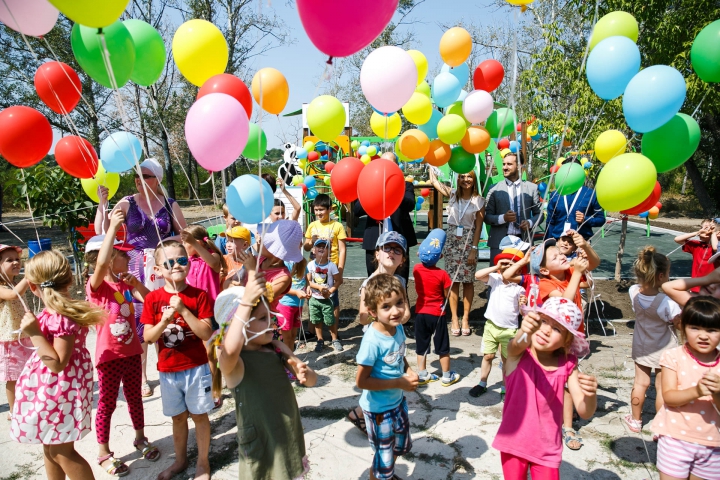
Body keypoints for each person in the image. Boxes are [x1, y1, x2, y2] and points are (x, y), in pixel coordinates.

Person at [95, 158, 188, 398]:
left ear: (157, 179)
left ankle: (169, 368)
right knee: (139, 319)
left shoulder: (169, 204)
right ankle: (143, 376)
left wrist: (162, 245)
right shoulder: (127, 203)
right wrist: (102, 204)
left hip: (163, 265)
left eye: (145, 176)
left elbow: (185, 235)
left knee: (166, 315)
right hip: (135, 267)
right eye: (137, 176)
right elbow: (102, 232)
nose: (139, 180)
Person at [11, 251, 105, 480]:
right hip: (49, 391)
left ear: (32, 287)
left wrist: (34, 334)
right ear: (70, 280)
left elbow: (58, 364)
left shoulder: (62, 317)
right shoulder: (53, 313)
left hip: (59, 391)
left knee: (62, 451)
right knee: (49, 446)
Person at [217, 272, 317, 479]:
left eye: (270, 316)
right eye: (263, 318)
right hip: (261, 443)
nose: (271, 322)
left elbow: (310, 381)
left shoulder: (276, 347)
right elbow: (229, 349)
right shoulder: (234, 363)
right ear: (241, 324)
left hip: (287, 433)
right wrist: (245, 304)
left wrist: (305, 374)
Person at [84, 210, 161, 476]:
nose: (128, 257)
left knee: (134, 399)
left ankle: (140, 438)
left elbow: (151, 301)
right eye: (122, 254)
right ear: (104, 260)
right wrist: (112, 227)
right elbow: (101, 263)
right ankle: (104, 452)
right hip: (109, 357)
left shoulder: (125, 285)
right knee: (106, 403)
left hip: (131, 353)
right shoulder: (96, 287)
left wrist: (137, 284)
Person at [492, 297, 598, 479]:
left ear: (567, 341)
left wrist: (590, 396)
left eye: (557, 328)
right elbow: (514, 346)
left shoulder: (568, 365)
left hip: (548, 448)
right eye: (543, 321)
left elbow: (584, 411)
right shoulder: (518, 356)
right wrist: (522, 332)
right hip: (514, 443)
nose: (546, 330)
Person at [141, 241, 214, 480]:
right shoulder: (153, 299)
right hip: (168, 371)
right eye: (169, 263)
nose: (176, 266)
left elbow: (205, 333)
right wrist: (164, 320)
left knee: (200, 416)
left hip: (196, 368)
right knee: (178, 417)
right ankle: (180, 461)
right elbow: (149, 337)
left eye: (181, 260)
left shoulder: (199, 296)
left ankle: (203, 463)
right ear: (158, 270)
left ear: (188, 263)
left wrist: (183, 311)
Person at [531, 233, 599, 451]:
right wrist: (577, 272)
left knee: (570, 382)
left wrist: (585, 246)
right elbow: (563, 305)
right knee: (550, 381)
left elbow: (594, 264)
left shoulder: (571, 272)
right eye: (554, 256)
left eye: (561, 252)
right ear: (543, 269)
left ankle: (567, 426)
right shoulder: (544, 283)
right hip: (554, 341)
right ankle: (544, 419)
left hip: (571, 339)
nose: (561, 255)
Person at [650, 296, 720, 480]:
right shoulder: (673, 357)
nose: (703, 335)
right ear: (683, 326)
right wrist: (696, 391)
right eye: (695, 328)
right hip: (676, 440)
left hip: (713, 444)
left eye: (712, 330)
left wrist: (718, 394)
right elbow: (669, 398)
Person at [356, 274, 418, 480]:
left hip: (397, 402)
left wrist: (407, 371)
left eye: (399, 303)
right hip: (378, 410)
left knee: (397, 448)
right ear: (373, 312)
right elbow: (361, 381)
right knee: (382, 458)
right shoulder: (372, 341)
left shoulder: (398, 327)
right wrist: (399, 381)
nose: (396, 311)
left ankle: (388, 475)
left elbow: (400, 356)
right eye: (387, 306)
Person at [348, 231, 410, 434]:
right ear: (377, 254)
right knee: (376, 376)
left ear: (403, 259)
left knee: (393, 369)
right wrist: (379, 316)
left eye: (397, 250)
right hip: (377, 339)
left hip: (394, 335)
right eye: (387, 248)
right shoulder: (369, 283)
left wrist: (397, 315)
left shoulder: (400, 280)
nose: (392, 253)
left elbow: (407, 312)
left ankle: (361, 413)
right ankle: (365, 414)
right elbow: (363, 317)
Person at [623, 246, 681, 435]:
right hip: (665, 348)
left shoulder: (634, 292)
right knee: (662, 387)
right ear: (662, 276)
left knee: (640, 383)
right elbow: (677, 323)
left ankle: (636, 420)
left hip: (641, 345)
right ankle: (660, 427)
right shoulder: (668, 302)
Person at [428, 168, 486, 336]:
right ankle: (454, 318)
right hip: (453, 241)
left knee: (468, 281)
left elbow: (478, 227)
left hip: (468, 242)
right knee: (453, 282)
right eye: (462, 176)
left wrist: (474, 249)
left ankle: (466, 318)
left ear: (474, 180)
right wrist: (432, 168)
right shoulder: (452, 195)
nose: (465, 179)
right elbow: (435, 183)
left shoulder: (479, 201)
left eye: (469, 176)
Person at [470, 245, 528, 399]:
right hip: (491, 326)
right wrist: (496, 266)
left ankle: (505, 385)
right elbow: (477, 275)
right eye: (505, 263)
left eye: (512, 264)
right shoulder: (495, 279)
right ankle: (482, 383)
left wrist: (523, 304)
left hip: (510, 329)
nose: (507, 266)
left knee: (506, 360)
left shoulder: (520, 288)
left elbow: (523, 313)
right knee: (488, 356)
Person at [181, 225, 226, 408]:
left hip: (212, 311)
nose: (184, 245)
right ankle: (202, 389)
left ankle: (216, 390)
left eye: (187, 242)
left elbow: (214, 264)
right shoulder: (188, 260)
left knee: (211, 354)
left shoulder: (213, 256)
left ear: (198, 242)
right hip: (193, 311)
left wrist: (195, 244)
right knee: (198, 354)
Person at [413, 229, 459, 387]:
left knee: (422, 344)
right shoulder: (442, 275)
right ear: (440, 256)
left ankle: (422, 373)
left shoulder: (416, 269)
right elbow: (447, 294)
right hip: (437, 314)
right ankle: (446, 376)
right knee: (442, 345)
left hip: (420, 312)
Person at [353, 180, 418, 283]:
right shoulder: (369, 185)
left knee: (399, 284)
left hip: (399, 244)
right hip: (373, 242)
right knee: (373, 283)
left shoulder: (404, 185)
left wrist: (392, 191)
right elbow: (357, 210)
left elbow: (410, 204)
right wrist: (375, 192)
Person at [484, 149, 541, 263]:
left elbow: (539, 214)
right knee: (498, 277)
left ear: (519, 166)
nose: (505, 167)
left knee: (523, 277)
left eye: (509, 164)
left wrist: (529, 223)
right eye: (504, 164)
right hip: (499, 243)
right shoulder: (494, 189)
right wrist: (503, 218)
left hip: (523, 241)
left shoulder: (532, 188)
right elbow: (486, 216)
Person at [304, 194, 346, 337]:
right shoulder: (312, 225)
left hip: (331, 268)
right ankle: (311, 331)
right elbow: (306, 248)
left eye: (321, 210)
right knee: (313, 298)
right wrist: (310, 242)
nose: (318, 213)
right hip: (314, 269)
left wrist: (340, 269)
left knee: (332, 298)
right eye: (316, 210)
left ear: (329, 209)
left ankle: (334, 332)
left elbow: (342, 249)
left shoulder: (337, 226)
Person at [0, 244, 29, 420]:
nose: (16, 262)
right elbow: (12, 296)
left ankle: (24, 404)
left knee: (25, 373)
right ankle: (13, 410)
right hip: (9, 339)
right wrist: (28, 277)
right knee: (13, 378)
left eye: (17, 259)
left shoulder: (16, 283)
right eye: (9, 260)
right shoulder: (4, 287)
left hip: (23, 336)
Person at [545, 159, 605, 240]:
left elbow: (601, 220)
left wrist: (585, 219)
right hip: (558, 242)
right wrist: (547, 245)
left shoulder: (590, 194)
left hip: (581, 244)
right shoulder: (556, 194)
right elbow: (550, 222)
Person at [307, 239, 343, 353]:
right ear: (313, 250)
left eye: (325, 247)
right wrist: (318, 288)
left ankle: (334, 339)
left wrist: (330, 291)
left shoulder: (332, 266)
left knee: (330, 320)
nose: (322, 248)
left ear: (329, 251)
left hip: (327, 299)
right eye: (319, 246)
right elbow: (308, 281)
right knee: (317, 320)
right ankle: (320, 339)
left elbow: (338, 281)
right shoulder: (310, 265)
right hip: (314, 298)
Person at [673, 219, 719, 292]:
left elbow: (716, 247)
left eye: (706, 228)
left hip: (711, 289)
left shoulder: (717, 250)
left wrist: (713, 234)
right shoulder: (697, 245)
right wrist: (697, 233)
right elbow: (677, 239)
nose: (702, 230)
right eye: (701, 227)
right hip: (695, 287)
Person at [277, 257, 309, 353]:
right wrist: (296, 292)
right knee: (286, 337)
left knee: (293, 335)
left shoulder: (302, 261)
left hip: (298, 305)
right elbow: (281, 287)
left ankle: (291, 357)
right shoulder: (284, 263)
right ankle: (287, 361)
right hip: (285, 305)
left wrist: (308, 288)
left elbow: (307, 279)